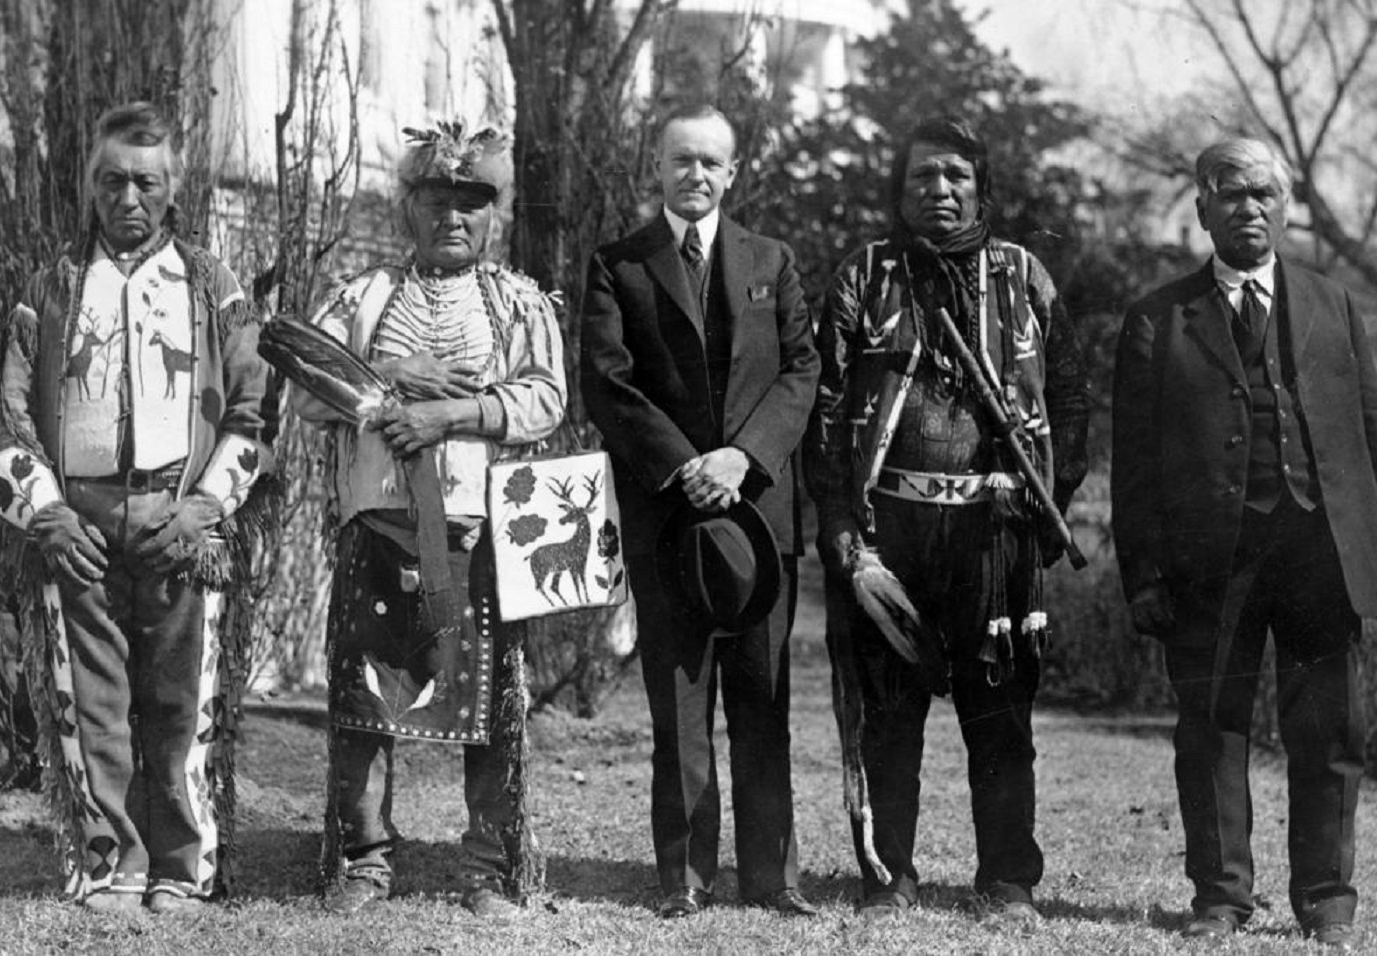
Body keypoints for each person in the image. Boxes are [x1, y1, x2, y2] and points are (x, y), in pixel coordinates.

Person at [0, 102, 273, 914]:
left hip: (181, 522)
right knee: (93, 701)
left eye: (146, 182)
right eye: (112, 181)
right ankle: (111, 863)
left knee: (184, 703)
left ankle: (184, 869)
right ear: (90, 187)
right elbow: (7, 421)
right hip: (77, 523)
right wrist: (47, 514)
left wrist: (207, 508)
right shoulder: (49, 288)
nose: (129, 198)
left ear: (172, 188)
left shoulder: (213, 287)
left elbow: (254, 413)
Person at [1112, 137, 1377, 949]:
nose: (1250, 208)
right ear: (1201, 208)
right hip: (1209, 562)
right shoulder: (1158, 318)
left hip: (1321, 553)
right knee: (1209, 729)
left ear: (1285, 206)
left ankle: (1327, 898)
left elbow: (1372, 437)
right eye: (1231, 193)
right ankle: (1221, 898)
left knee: (1329, 731)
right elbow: (1131, 467)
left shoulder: (1332, 304)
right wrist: (1142, 576)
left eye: (1264, 194)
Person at [804, 116, 1089, 925]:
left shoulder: (1023, 276)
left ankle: (1006, 881)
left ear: (981, 189)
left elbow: (1069, 397)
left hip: (996, 530)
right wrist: (835, 520)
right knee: (887, 714)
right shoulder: (866, 276)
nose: (939, 190)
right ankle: (888, 876)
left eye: (955, 177)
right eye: (923, 176)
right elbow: (826, 409)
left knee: (999, 711)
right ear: (900, 190)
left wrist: (1051, 503)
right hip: (888, 532)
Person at [291, 121, 564, 920]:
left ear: (492, 215)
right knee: (362, 703)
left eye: (471, 203)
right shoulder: (361, 296)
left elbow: (545, 399)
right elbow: (307, 392)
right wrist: (386, 377)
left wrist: (451, 413)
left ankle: (484, 867)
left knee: (488, 709)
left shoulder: (516, 300)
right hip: (377, 528)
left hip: (478, 535)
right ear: (408, 208)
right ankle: (364, 861)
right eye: (437, 201)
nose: (453, 217)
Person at [580, 105, 820, 919]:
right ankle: (682, 877)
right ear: (658, 167)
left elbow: (801, 370)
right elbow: (608, 383)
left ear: (732, 173)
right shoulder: (619, 265)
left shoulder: (772, 260)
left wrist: (742, 457)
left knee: (762, 699)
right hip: (669, 517)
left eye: (711, 163)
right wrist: (686, 466)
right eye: (682, 160)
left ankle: (771, 878)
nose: (696, 175)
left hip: (758, 517)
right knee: (679, 704)